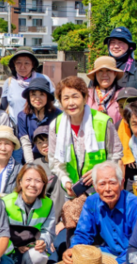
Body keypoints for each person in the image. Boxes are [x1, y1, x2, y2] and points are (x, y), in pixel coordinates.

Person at [49, 76, 122, 246]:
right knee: (76, 240)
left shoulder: (103, 122)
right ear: (60, 102)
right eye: (65, 98)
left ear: (84, 97)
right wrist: (66, 181)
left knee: (103, 239)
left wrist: (100, 172)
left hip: (101, 193)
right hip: (73, 194)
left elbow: (116, 155)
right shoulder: (56, 125)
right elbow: (54, 161)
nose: (71, 102)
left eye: (75, 96)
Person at [63, 161, 137, 264]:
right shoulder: (91, 202)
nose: (107, 189)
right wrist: (74, 251)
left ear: (122, 183)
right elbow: (83, 234)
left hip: (131, 258)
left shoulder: (136, 206)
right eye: (102, 184)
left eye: (112, 183)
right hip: (108, 253)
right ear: (95, 186)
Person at [1, 164, 56, 264]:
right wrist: (14, 246)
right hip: (11, 254)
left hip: (31, 252)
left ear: (44, 184)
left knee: (39, 257)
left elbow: (48, 230)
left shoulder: (48, 204)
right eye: (28, 180)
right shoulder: (5, 202)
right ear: (20, 182)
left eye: (38, 181)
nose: (33, 184)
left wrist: (43, 241)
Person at [0, 48, 54, 126]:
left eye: (27, 63)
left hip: (40, 128)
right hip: (16, 129)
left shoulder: (43, 79)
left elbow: (53, 104)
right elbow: (2, 109)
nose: (22, 67)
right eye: (18, 63)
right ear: (14, 64)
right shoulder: (9, 82)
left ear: (33, 64)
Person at [17, 77, 62, 163]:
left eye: (42, 94)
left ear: (47, 97)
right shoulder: (22, 116)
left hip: (55, 158)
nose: (37, 98)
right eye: (33, 94)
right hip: (32, 158)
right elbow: (26, 143)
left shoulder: (58, 115)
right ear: (28, 97)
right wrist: (31, 165)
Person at [87, 56, 125, 127]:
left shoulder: (123, 94)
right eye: (100, 71)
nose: (104, 75)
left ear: (115, 74)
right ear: (95, 74)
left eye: (108, 70)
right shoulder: (86, 95)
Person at [115, 87, 137, 190]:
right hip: (127, 176)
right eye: (121, 106)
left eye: (129, 105)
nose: (125, 110)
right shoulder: (116, 127)